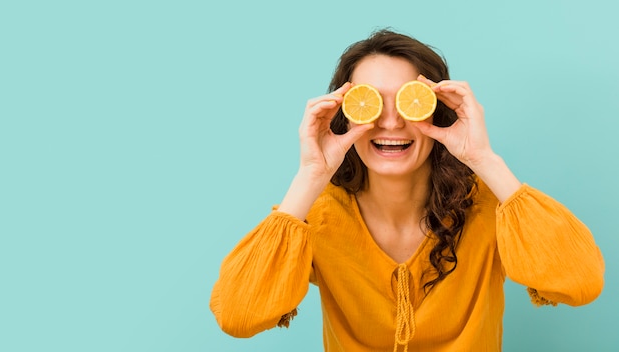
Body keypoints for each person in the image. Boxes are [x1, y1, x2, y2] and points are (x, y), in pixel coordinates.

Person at [209, 29, 605, 351]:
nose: (391, 123)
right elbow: (238, 315)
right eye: (370, 104)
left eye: (407, 101)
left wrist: (485, 160)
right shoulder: (318, 215)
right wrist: (311, 175)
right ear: (344, 114)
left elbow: (581, 282)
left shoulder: (487, 207)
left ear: (437, 109)